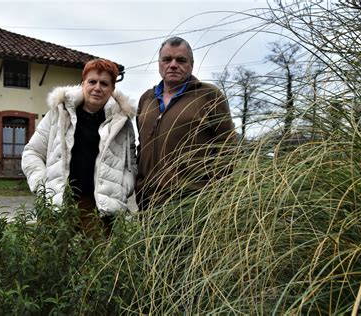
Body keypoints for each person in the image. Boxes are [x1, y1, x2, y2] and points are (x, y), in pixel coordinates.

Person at [21, 58, 137, 235]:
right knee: (52, 258)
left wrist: (120, 191)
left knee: (97, 260)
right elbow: (32, 152)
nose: (97, 88)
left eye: (104, 83)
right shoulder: (59, 114)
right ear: (83, 84)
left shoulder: (122, 124)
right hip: (58, 203)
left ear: (112, 89)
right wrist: (42, 186)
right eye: (92, 81)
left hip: (99, 208)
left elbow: (131, 167)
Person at [135, 36, 236, 210]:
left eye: (181, 60)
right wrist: (140, 184)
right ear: (159, 63)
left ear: (191, 64)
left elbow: (227, 147)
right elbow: (141, 146)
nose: (173, 65)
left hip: (191, 204)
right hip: (148, 202)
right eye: (167, 59)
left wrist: (211, 190)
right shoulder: (147, 99)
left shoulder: (209, 95)